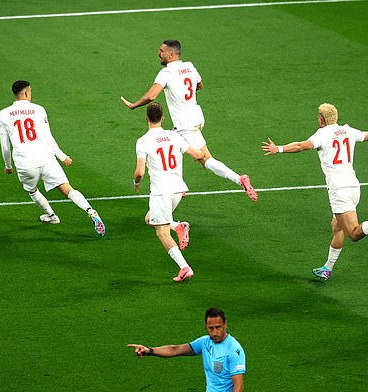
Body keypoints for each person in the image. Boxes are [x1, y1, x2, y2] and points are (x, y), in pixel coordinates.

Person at [262, 103, 368, 280]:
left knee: (353, 233)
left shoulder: (323, 134)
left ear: (321, 119)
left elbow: (301, 146)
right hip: (354, 186)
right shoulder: (347, 131)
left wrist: (279, 149)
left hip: (339, 190)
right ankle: (327, 269)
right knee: (336, 227)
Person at [121, 39, 257, 202]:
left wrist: (134, 105)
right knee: (172, 141)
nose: (159, 53)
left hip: (185, 123)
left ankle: (239, 179)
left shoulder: (167, 73)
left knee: (204, 159)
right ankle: (180, 185)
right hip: (196, 118)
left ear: (170, 55)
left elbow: (151, 96)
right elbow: (199, 85)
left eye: (161, 51)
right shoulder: (190, 67)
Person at [0, 80, 105, 236]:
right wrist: (62, 156)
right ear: (27, 93)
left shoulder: (3, 114)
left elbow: (5, 145)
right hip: (46, 158)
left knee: (32, 191)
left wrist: (8, 166)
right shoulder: (39, 110)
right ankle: (90, 210)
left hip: (25, 162)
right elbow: (48, 137)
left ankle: (52, 216)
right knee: (67, 188)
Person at [134, 102, 204, 282]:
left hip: (161, 192)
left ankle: (184, 267)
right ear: (162, 118)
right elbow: (198, 155)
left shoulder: (143, 141)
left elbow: (140, 172)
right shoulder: (174, 136)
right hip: (178, 190)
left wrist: (136, 183)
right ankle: (179, 226)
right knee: (149, 219)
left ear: (146, 118)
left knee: (161, 233)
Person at [128, 307, 246, 392]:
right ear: (205, 326)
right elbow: (176, 349)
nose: (215, 333)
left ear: (225, 324)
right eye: (211, 328)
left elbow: (239, 386)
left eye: (218, 327)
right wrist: (149, 351)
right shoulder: (204, 342)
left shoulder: (234, 350)